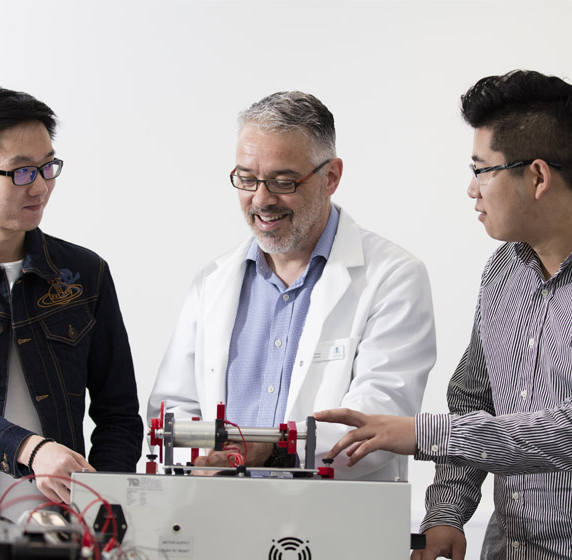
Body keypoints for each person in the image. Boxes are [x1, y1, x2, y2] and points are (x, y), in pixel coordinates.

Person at [315, 69, 572, 558]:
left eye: (482, 170)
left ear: (538, 176)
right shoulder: (505, 270)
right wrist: (446, 515)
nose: (472, 189)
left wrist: (421, 434)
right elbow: (473, 400)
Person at [148, 91, 436, 480]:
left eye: (283, 182)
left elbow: (376, 427)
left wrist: (273, 452)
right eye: (247, 179)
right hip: (218, 516)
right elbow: (172, 410)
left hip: (330, 524)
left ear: (331, 176)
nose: (262, 199)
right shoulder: (212, 282)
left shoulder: (393, 277)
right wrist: (202, 462)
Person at [0, 87, 143, 529]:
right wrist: (30, 449)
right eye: (21, 172)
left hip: (63, 529)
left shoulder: (84, 273)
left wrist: (103, 503)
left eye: (48, 166)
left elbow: (118, 411)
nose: (41, 185)